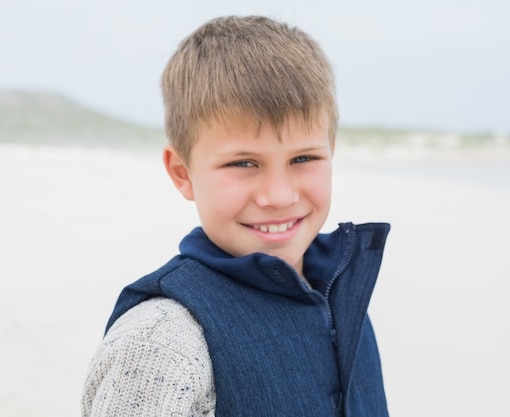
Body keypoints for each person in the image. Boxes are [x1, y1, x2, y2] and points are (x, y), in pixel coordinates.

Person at [81, 15, 390, 417]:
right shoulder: (162, 343)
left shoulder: (341, 301)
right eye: (243, 163)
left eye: (303, 158)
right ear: (182, 172)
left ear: (331, 150)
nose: (278, 196)